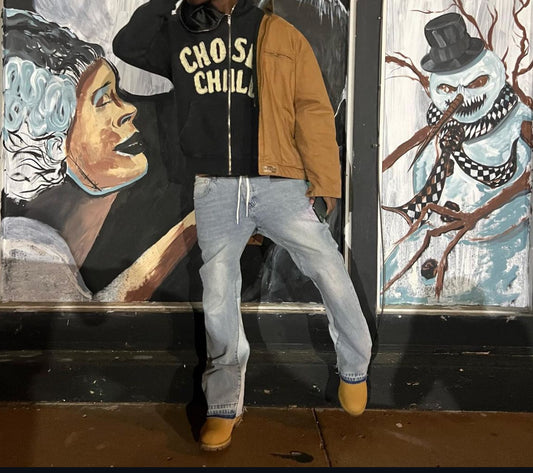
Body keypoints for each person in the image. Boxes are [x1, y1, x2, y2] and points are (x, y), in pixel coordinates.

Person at [113, 0, 372, 451]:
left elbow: (312, 107)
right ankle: (223, 405)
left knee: (329, 267)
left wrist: (325, 180)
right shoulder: (182, 30)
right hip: (215, 187)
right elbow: (129, 45)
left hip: (280, 181)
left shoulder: (278, 32)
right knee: (218, 292)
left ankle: (355, 368)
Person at [1, 8, 196, 302]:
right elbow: (91, 317)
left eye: (117, 94)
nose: (130, 109)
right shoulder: (21, 246)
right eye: (103, 100)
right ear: (51, 137)